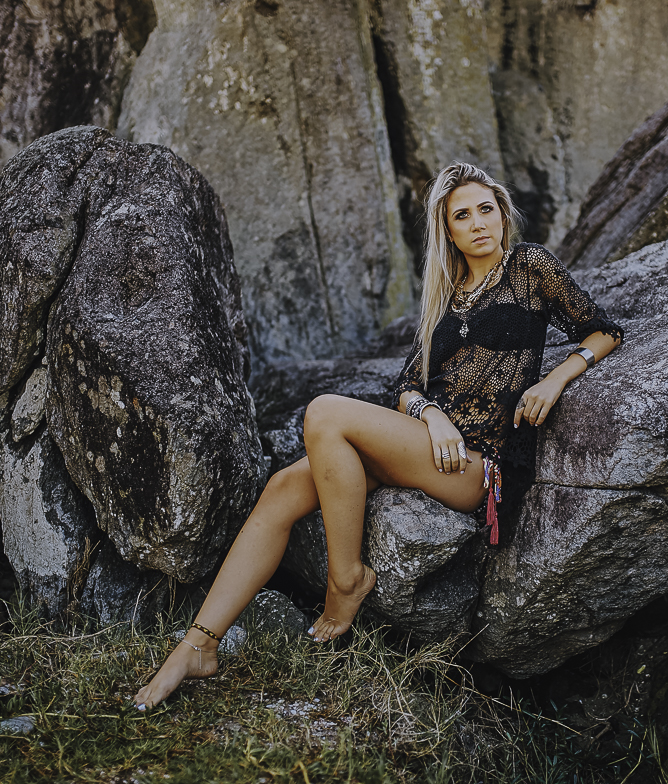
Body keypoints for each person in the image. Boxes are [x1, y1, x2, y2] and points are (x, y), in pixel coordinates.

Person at [133, 162, 622, 710]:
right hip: (425, 445)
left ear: (503, 216)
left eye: (486, 209)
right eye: (463, 216)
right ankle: (197, 644)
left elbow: (602, 330)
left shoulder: (530, 268)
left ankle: (346, 581)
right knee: (282, 490)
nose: (478, 223)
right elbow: (409, 384)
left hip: (477, 466)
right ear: (449, 232)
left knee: (325, 414)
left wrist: (557, 378)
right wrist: (431, 413)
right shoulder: (447, 294)